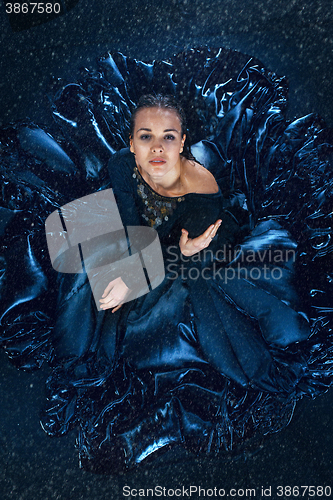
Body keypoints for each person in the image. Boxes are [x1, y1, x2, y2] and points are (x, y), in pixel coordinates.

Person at [1, 47, 332, 474]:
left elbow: (189, 256)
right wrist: (121, 253)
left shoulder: (202, 186)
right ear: (133, 144)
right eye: (145, 138)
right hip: (146, 236)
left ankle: (96, 347)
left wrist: (133, 277)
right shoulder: (123, 166)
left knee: (163, 283)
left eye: (168, 138)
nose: (156, 148)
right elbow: (124, 221)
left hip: (201, 256)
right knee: (61, 234)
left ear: (182, 144)